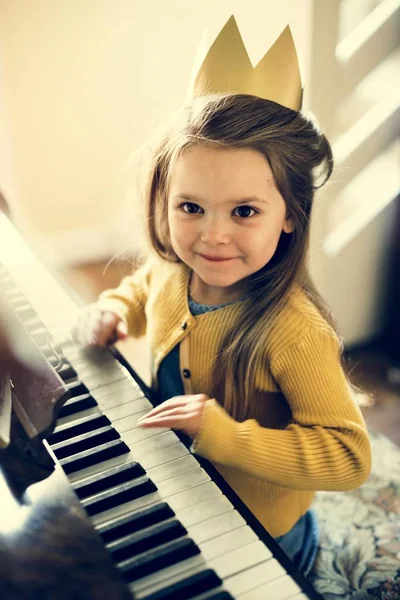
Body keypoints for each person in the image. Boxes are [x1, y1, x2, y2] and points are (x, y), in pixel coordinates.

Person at [73, 91, 371, 576]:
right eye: (191, 207)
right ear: (163, 202)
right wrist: (112, 312)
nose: (212, 235)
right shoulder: (171, 271)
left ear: (291, 215)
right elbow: (135, 292)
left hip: (260, 526)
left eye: (244, 212)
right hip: (178, 482)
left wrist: (222, 435)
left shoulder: (295, 333)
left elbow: (347, 457)